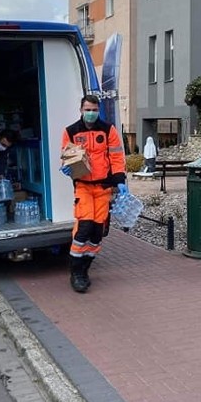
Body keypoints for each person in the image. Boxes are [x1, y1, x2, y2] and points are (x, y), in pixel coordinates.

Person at [60, 94, 127, 293]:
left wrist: (120, 181)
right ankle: (76, 272)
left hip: (104, 188)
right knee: (84, 227)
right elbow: (66, 156)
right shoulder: (71, 132)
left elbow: (116, 157)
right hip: (83, 187)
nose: (91, 113)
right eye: (87, 109)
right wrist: (65, 166)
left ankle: (85, 269)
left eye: (94, 110)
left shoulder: (108, 131)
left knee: (98, 233)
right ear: (81, 110)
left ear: (99, 110)